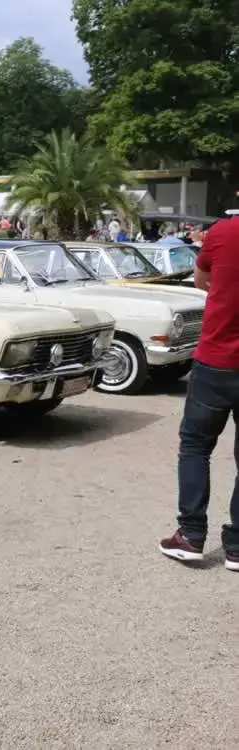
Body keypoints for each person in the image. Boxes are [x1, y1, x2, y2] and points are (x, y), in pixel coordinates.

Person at [160, 215, 239, 571]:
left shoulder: (223, 232)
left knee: (195, 446)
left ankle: (191, 535)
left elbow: (201, 278)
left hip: (217, 361)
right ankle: (237, 546)